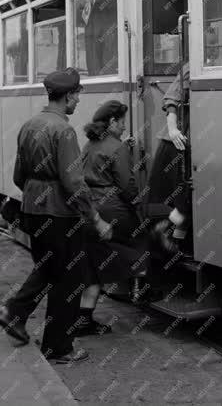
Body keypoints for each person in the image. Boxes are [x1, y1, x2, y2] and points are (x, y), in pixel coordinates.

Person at [0, 68, 112, 364]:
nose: (78, 102)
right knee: (70, 280)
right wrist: (95, 217)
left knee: (48, 268)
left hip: (33, 210)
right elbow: (73, 182)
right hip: (60, 214)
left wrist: (37, 194)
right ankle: (59, 348)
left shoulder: (30, 125)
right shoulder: (64, 130)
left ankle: (14, 313)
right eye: (77, 96)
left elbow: (19, 176)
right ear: (69, 96)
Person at [78, 100, 150, 333]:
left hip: (89, 210)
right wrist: (138, 204)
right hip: (112, 210)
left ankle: (84, 319)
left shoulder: (90, 144)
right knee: (145, 241)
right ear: (112, 122)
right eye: (122, 123)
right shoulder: (116, 147)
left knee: (93, 265)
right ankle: (141, 287)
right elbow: (127, 185)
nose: (124, 128)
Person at [145, 57, 191, 253]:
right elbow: (172, 98)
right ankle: (167, 236)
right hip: (177, 142)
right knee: (180, 198)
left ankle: (177, 241)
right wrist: (172, 129)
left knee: (186, 197)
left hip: (190, 142)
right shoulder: (192, 67)